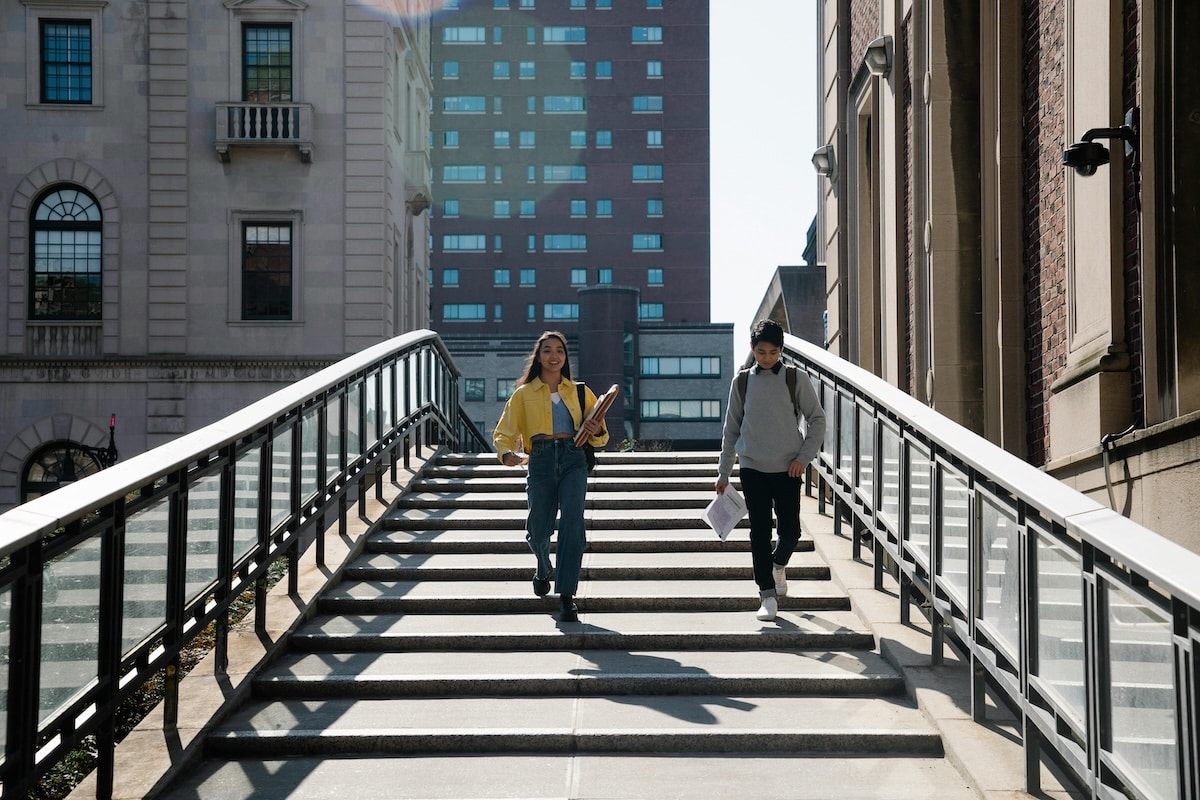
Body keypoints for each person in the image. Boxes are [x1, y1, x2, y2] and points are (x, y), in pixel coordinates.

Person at [494, 331, 609, 623]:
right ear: (538, 356)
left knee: (573, 524)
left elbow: (601, 436)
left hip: (574, 458)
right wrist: (506, 452)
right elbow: (505, 430)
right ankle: (543, 566)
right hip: (541, 459)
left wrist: (596, 431)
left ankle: (567, 595)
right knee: (538, 529)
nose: (554, 356)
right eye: (547, 350)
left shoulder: (580, 392)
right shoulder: (524, 394)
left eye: (559, 350)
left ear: (565, 357)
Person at [715, 319, 826, 622]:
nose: (766, 357)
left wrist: (803, 458)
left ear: (781, 350)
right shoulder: (742, 382)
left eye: (773, 352)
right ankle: (767, 594)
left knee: (790, 532)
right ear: (752, 349)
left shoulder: (795, 378)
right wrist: (723, 473)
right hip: (752, 467)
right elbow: (731, 429)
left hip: (789, 468)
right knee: (759, 532)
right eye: (761, 351)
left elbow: (817, 420)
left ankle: (778, 566)